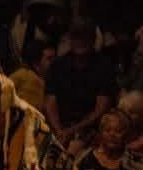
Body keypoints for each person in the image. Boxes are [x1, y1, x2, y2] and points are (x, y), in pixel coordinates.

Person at [45, 20, 118, 157]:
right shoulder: (58, 65)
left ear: (93, 40)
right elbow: (50, 101)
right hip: (59, 128)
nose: (81, 41)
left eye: (85, 37)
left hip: (91, 130)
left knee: (73, 154)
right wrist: (59, 130)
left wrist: (72, 131)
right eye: (76, 36)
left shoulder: (104, 67)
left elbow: (101, 109)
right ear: (70, 39)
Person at [9, 40, 56, 110]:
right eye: (49, 59)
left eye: (54, 58)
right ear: (36, 61)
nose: (54, 62)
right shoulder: (23, 74)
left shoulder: (52, 81)